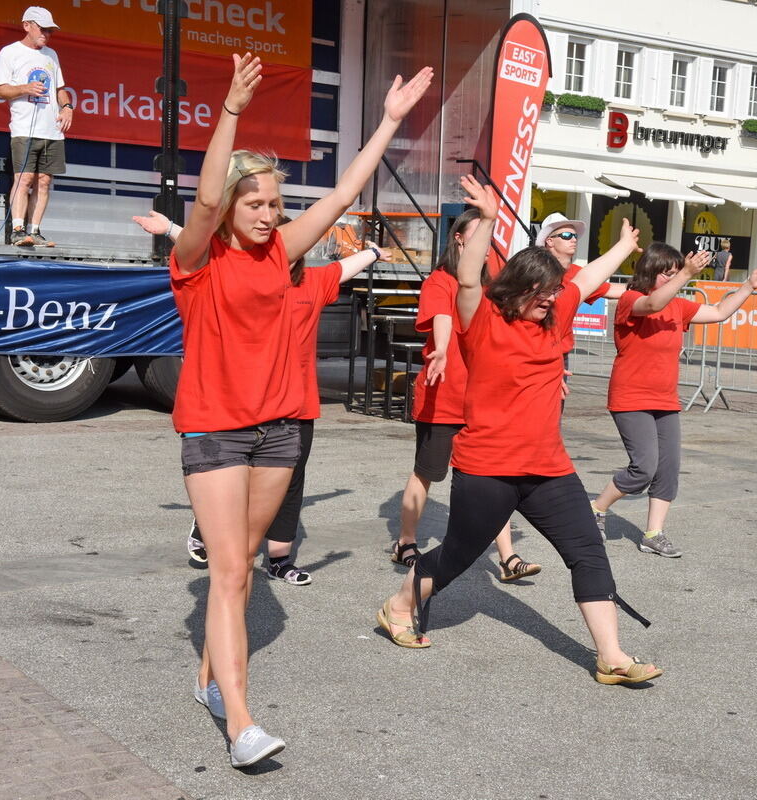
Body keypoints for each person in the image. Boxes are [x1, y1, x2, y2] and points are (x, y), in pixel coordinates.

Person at [170, 53, 432, 768]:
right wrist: (231, 109)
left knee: (242, 569)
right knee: (229, 572)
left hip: (279, 434)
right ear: (229, 206)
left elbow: (344, 193)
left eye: (274, 205)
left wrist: (388, 122)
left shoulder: (279, 252)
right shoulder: (197, 259)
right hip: (217, 432)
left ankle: (209, 680)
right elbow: (201, 205)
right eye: (254, 204)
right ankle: (242, 725)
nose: (269, 215)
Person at [378, 175, 664, 688]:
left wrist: (624, 246)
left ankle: (612, 657)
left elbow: (585, 277)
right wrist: (488, 219)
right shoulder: (483, 319)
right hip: (487, 467)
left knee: (587, 551)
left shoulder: (555, 315)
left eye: (555, 292)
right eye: (542, 292)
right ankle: (400, 605)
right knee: (458, 554)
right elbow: (469, 278)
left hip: (549, 468)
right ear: (518, 286)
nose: (552, 300)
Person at [134, 209, 392, 585]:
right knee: (234, 479)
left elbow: (342, 269)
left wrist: (373, 253)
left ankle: (279, 559)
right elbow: (204, 252)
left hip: (296, 405)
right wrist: (172, 229)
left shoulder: (313, 283)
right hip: (244, 401)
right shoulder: (241, 281)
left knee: (291, 484)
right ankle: (207, 527)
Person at [591, 245, 757, 557]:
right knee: (643, 468)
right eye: (668, 274)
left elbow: (718, 312)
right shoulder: (630, 300)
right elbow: (652, 303)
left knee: (667, 469)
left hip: (665, 399)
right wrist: (687, 273)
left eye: (676, 273)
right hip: (631, 397)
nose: (674, 278)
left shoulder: (678, 306)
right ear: (650, 272)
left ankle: (654, 534)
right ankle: (597, 508)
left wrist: (748, 286)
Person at [393, 208, 541, 582]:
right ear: (459, 238)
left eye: (488, 237)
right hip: (443, 396)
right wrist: (442, 348)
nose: (485, 244)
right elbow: (442, 316)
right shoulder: (440, 281)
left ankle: (507, 557)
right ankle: (405, 541)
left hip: (482, 400)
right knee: (427, 472)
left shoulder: (491, 289)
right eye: (478, 235)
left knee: (492, 476)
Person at [0, 6, 73, 248]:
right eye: (43, 29)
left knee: (44, 181)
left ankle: (35, 231)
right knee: (24, 177)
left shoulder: (51, 55)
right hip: (24, 128)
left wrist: (67, 107)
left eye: (50, 31)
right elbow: (0, 90)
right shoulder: (10, 52)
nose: (47, 34)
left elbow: (60, 88)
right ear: (27, 25)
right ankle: (17, 230)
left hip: (51, 129)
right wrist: (24, 88)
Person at [536, 212, 626, 400]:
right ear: (549, 241)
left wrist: (656, 287)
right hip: (533, 348)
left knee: (554, 409)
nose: (573, 239)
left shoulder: (579, 274)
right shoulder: (533, 270)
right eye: (566, 235)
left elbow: (613, 290)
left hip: (559, 353)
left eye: (575, 235)